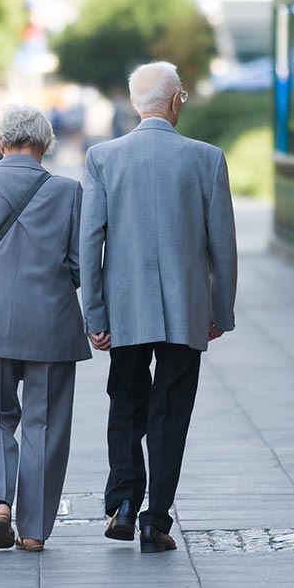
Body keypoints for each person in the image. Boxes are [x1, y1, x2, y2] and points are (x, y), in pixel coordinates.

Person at [79, 61, 238, 553]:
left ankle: (124, 503)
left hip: (125, 308)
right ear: (175, 102)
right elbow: (223, 246)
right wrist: (220, 311)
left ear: (134, 105)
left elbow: (90, 242)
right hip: (185, 310)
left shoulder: (102, 158)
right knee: (171, 413)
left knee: (126, 402)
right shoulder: (206, 158)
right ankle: (157, 520)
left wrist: (95, 314)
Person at [0, 105, 91, 552]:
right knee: (46, 424)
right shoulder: (68, 191)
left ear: (0, 143)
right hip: (52, 324)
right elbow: (79, 266)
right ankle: (34, 530)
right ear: (46, 144)